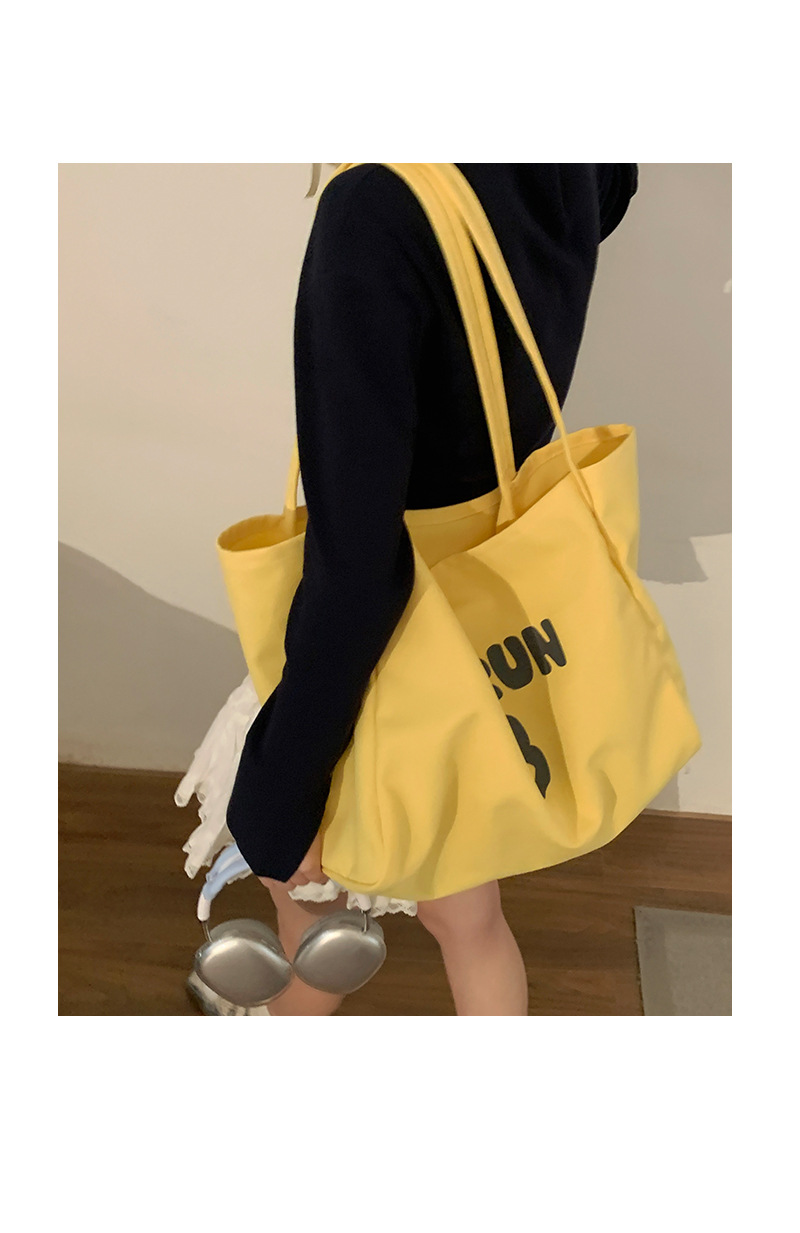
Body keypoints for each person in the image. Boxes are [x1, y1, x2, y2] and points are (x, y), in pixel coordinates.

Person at [209, 163, 638, 1016]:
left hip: (360, 650)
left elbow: (359, 563)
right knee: (470, 920)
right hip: (480, 641)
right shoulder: (577, 158)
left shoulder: (373, 210)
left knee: (310, 919)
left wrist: (285, 785)